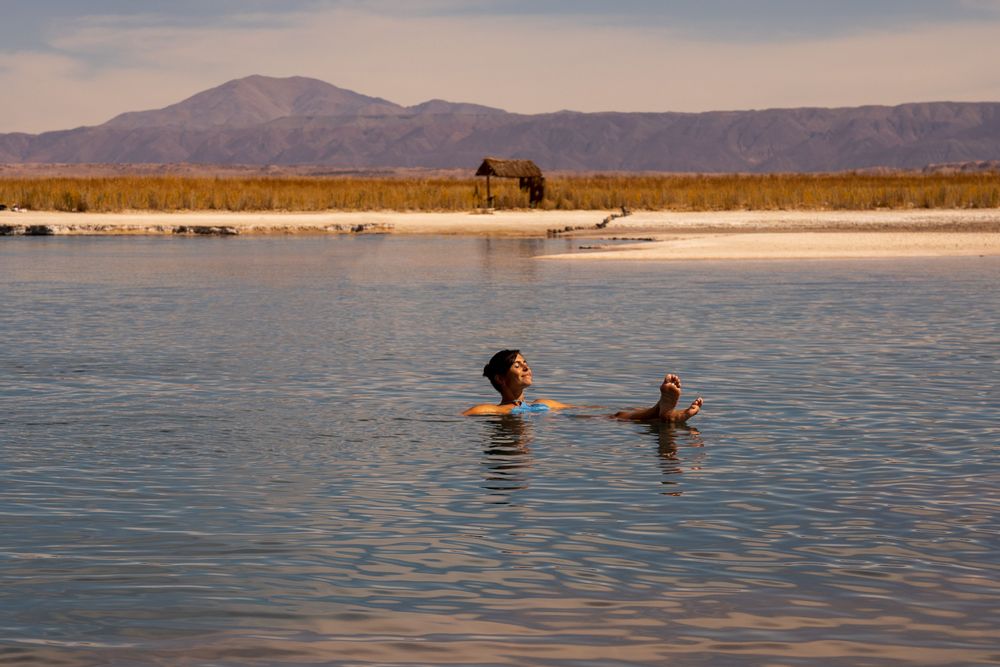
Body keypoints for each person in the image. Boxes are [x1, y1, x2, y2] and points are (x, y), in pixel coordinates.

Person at [463, 349, 703, 423]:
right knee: (614, 418)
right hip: (558, 424)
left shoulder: (544, 403)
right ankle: (664, 412)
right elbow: (461, 417)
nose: (526, 367)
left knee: (615, 415)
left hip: (563, 419)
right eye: (517, 365)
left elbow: (590, 410)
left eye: (526, 363)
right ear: (500, 379)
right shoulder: (491, 410)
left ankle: (665, 411)